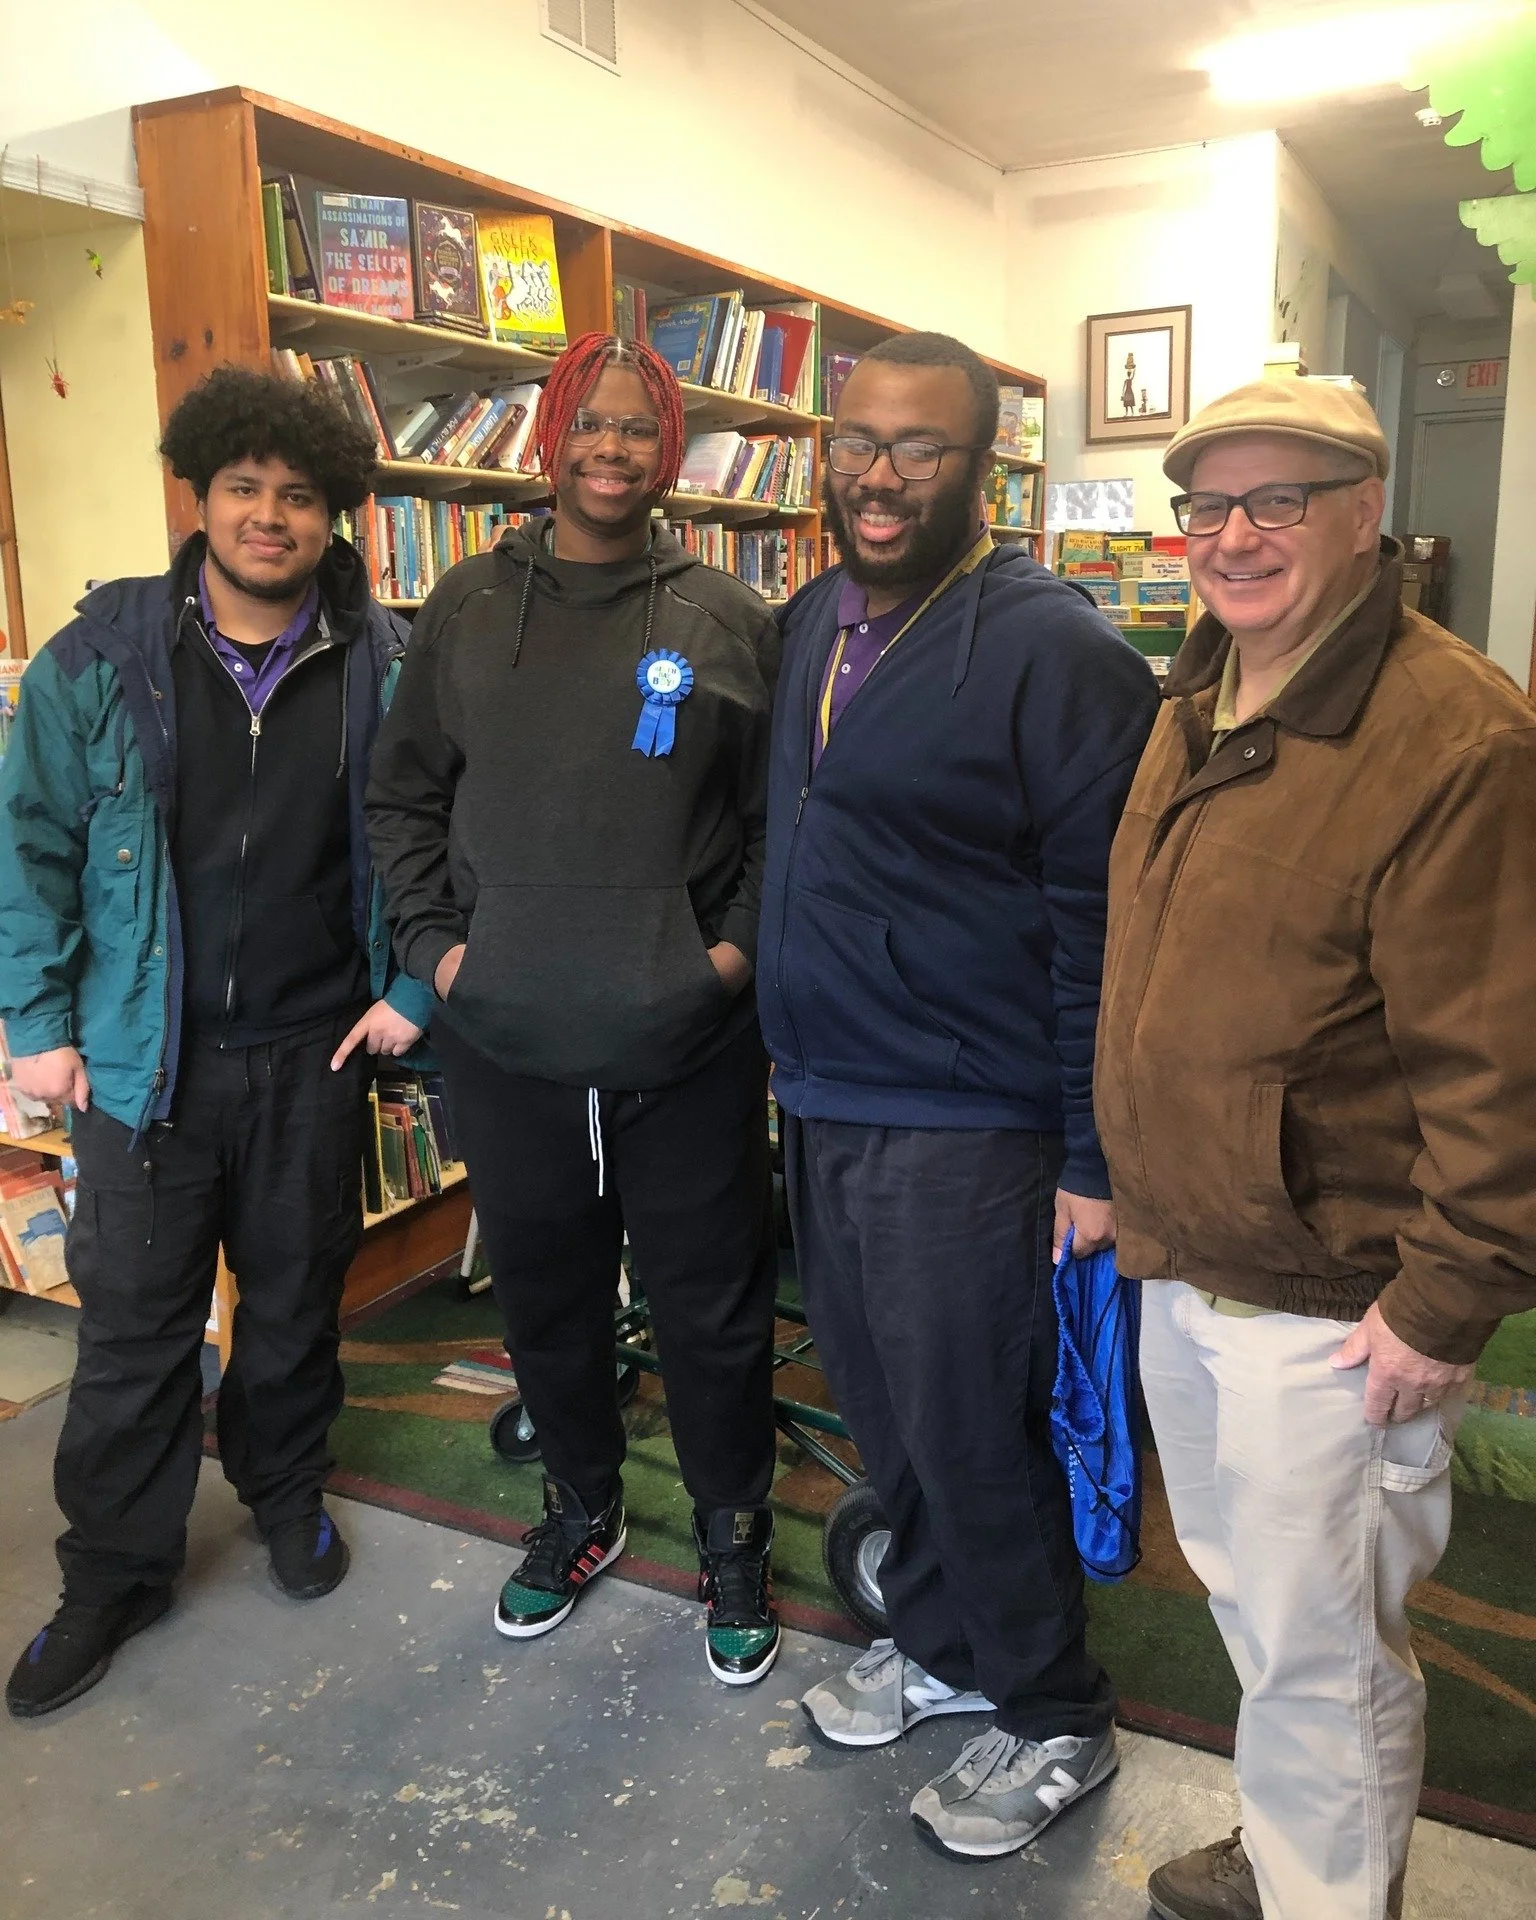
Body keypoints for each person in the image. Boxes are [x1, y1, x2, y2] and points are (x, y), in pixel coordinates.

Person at [1095, 378, 1536, 1920]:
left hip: (1337, 1301)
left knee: (1329, 1654)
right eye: (1210, 506)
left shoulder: (1456, 734)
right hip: (1192, 1255)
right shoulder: (1199, 690)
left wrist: (1442, 1300)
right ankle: (1297, 1858)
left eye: (1280, 500)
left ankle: (1326, 1893)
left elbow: (1503, 1055)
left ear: (1367, 515)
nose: (1236, 535)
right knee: (1260, 1611)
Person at [758, 332, 1159, 1857]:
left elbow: (1099, 923)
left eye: (921, 447)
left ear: (981, 465)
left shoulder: (1054, 648)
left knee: (979, 1425)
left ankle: (1054, 1712)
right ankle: (936, 1647)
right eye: (858, 440)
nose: (880, 472)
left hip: (972, 1118)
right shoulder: (814, 625)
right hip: (828, 1091)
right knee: (888, 1413)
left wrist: (1090, 1149)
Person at [1, 366, 433, 1719]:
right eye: (243, 487)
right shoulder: (99, 658)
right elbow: (32, 844)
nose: (269, 516)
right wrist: (36, 1022)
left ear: (332, 516)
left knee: (297, 1306)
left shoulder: (389, 663)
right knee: (134, 1332)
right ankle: (113, 1573)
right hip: (144, 1064)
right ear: (200, 494)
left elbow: (436, 840)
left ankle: (284, 1495)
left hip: (314, 1054)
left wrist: (414, 984)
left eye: (298, 496)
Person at [365, 332, 784, 1686]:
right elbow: (405, 795)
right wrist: (438, 951)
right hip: (512, 1039)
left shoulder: (724, 614)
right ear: (550, 435)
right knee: (546, 1300)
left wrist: (723, 957)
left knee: (711, 1306)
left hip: (687, 1042)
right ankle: (584, 1512)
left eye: (638, 429)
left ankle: (733, 1533)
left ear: (671, 450)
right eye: (589, 424)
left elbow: (778, 822)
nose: (612, 449)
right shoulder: (471, 607)